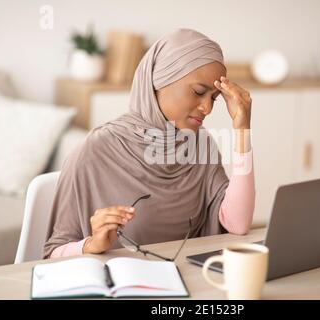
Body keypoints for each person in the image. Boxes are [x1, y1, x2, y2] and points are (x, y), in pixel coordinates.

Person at [43, 28, 255, 258]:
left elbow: (238, 223)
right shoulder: (95, 151)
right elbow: (52, 253)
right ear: (158, 82)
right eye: (198, 92)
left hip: (189, 283)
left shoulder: (200, 144)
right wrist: (90, 245)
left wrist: (242, 129)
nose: (208, 108)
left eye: (213, 98)